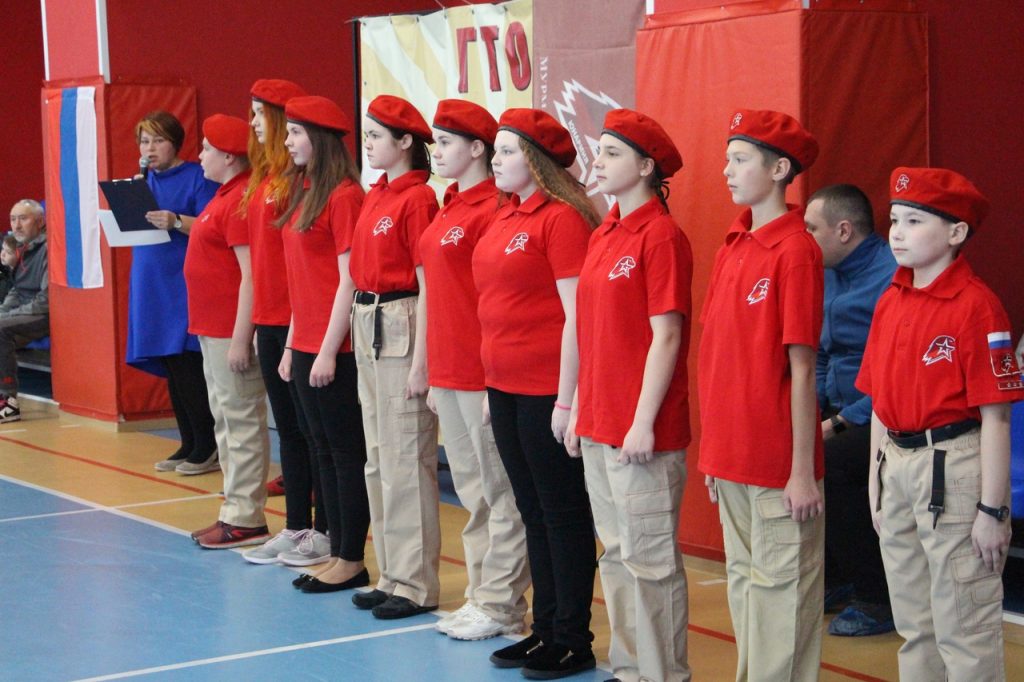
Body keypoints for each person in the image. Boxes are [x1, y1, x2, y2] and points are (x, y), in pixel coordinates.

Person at [858, 167, 1023, 681]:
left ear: (956, 232)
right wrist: (875, 479)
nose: (898, 233)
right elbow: (880, 400)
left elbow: (997, 417)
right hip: (896, 464)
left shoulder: (977, 306)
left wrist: (993, 509)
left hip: (952, 468)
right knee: (915, 625)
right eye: (894, 220)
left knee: (964, 626)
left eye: (914, 221)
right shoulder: (890, 299)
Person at [567, 109, 693, 682]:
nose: (598, 161)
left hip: (640, 429)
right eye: (600, 150)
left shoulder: (661, 236)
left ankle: (664, 673)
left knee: (651, 561)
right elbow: (591, 332)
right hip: (599, 421)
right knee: (616, 555)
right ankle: (629, 667)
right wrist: (577, 406)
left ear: (646, 167)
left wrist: (643, 421)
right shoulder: (604, 233)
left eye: (612, 153)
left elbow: (666, 335)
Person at [698, 109, 824, 681]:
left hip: (776, 461)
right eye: (727, 158)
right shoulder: (734, 244)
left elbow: (802, 367)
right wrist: (715, 453)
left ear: (778, 170)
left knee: (782, 591)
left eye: (740, 159)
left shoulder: (796, 250)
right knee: (746, 583)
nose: (727, 170)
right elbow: (719, 357)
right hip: (732, 455)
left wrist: (801, 471)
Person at [474, 108, 600, 680]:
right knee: (532, 511)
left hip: (547, 388)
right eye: (496, 150)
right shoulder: (505, 214)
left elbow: (577, 316)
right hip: (504, 386)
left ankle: (572, 638)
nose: (495, 160)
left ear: (536, 160)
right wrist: (489, 384)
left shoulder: (562, 219)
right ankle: (545, 628)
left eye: (506, 151)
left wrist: (568, 399)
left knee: (562, 513)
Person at [419, 99, 529, 640]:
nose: (436, 152)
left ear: (477, 149)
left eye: (445, 142)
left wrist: (490, 378)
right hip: (448, 368)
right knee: (471, 491)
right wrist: (428, 368)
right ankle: (482, 593)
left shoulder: (493, 210)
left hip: (481, 371)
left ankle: (502, 602)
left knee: (498, 491)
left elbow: (498, 300)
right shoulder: (449, 207)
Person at [348, 95, 441, 619]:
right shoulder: (377, 194)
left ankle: (415, 581)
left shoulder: (418, 199)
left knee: (406, 456)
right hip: (368, 317)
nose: (368, 144)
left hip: (401, 316)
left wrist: (421, 359)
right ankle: (392, 572)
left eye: (376, 135)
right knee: (378, 455)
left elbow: (428, 285)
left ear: (405, 142)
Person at [274, 95, 371, 593]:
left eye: (295, 133)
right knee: (322, 450)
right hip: (308, 341)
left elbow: (347, 280)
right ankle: (334, 547)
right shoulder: (306, 192)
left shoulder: (345, 197)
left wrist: (330, 348)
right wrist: (294, 345)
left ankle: (352, 557)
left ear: (320, 138)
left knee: (344, 452)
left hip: (337, 346)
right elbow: (302, 280)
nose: (287, 142)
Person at [238, 79, 332, 568]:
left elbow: (307, 264)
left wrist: (294, 325)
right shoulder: (268, 178)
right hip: (271, 319)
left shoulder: (299, 183)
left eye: (260, 113)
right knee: (290, 433)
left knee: (312, 432)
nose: (253, 123)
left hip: (297, 319)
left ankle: (323, 530)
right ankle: (296, 525)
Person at [804, 184, 897, 637]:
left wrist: (839, 422)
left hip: (881, 413)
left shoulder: (892, 276)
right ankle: (838, 577)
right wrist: (814, 410)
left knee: (832, 461)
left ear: (843, 231)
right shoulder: (827, 272)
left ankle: (877, 596)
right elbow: (824, 352)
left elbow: (893, 374)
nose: (805, 238)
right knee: (798, 451)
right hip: (838, 408)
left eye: (812, 228)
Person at [183, 115, 271, 549]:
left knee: (240, 423)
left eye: (206, 149)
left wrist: (241, 336)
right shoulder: (225, 196)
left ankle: (246, 517)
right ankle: (234, 509)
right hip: (211, 329)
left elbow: (251, 275)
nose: (200, 156)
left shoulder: (240, 201)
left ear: (230, 157)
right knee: (226, 421)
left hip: (227, 332)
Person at [130, 111, 220, 475]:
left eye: (158, 140)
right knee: (170, 362)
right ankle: (188, 441)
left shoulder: (197, 177)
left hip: (181, 280)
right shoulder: (142, 180)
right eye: (144, 141)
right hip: (151, 279)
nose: (149, 149)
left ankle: (207, 444)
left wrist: (176, 221)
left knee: (187, 362)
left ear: (175, 143)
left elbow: (213, 226)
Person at [0, 200, 49, 423]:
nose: (17, 225)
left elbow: (45, 301)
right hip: (24, 312)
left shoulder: (49, 248)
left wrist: (8, 316)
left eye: (23, 218)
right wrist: (4, 312)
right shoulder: (23, 248)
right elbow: (18, 290)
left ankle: (8, 402)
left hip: (44, 314)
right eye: (13, 219)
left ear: (40, 221)